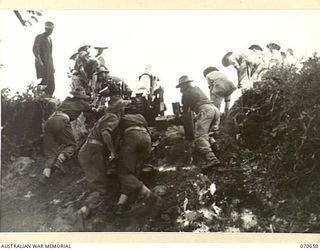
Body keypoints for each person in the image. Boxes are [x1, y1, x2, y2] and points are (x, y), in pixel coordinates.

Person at [40, 87, 92, 183]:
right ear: (82, 97)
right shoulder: (83, 104)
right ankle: (59, 162)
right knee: (72, 144)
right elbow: (93, 110)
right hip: (61, 121)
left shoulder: (67, 100)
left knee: (50, 152)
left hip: (50, 121)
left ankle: (45, 175)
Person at [78, 98, 129, 196]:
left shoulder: (107, 116)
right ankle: (90, 206)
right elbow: (105, 133)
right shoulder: (113, 117)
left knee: (95, 180)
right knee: (99, 186)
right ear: (120, 110)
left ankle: (90, 201)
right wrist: (112, 152)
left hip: (89, 148)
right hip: (93, 149)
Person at [114, 113, 162, 215]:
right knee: (134, 174)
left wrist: (114, 152)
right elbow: (149, 132)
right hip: (146, 139)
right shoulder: (141, 116)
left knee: (124, 173)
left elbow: (117, 136)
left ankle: (148, 194)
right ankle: (120, 204)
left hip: (132, 138)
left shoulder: (122, 118)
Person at [176, 75, 221, 173]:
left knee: (199, 136)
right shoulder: (197, 89)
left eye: (181, 87)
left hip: (205, 110)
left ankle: (211, 158)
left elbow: (186, 112)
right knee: (208, 133)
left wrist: (179, 118)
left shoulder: (186, 93)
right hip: (214, 109)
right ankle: (216, 149)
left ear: (183, 86)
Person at [32, 21, 55, 97]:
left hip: (49, 63)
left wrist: (52, 66)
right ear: (46, 29)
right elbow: (35, 49)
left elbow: (50, 54)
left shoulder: (50, 39)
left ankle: (49, 97)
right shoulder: (40, 37)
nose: (50, 32)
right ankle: (38, 96)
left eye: (51, 30)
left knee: (51, 84)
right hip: (43, 62)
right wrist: (40, 61)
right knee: (44, 81)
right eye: (49, 30)